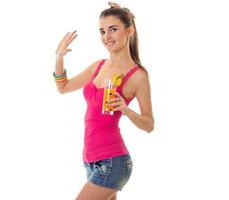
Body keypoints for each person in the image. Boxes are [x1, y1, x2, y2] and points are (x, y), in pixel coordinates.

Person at [53, 2, 154, 200]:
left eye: (113, 29)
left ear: (129, 30)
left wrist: (126, 109)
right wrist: (59, 58)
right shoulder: (98, 66)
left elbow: (149, 124)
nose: (106, 37)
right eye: (102, 31)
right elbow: (63, 87)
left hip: (113, 161)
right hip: (90, 161)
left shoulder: (137, 75)